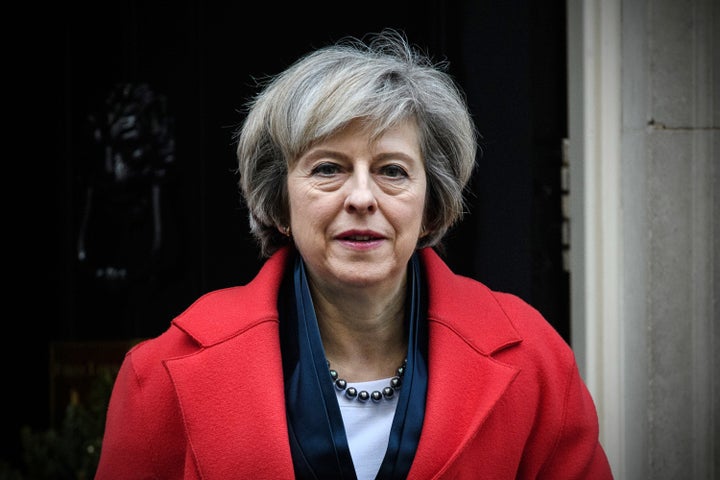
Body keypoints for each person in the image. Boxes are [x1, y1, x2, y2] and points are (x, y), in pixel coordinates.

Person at [94, 29, 613, 479]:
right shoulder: (161, 372)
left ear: (431, 205)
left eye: (391, 170)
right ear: (279, 202)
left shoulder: (535, 361)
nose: (362, 197)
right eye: (327, 169)